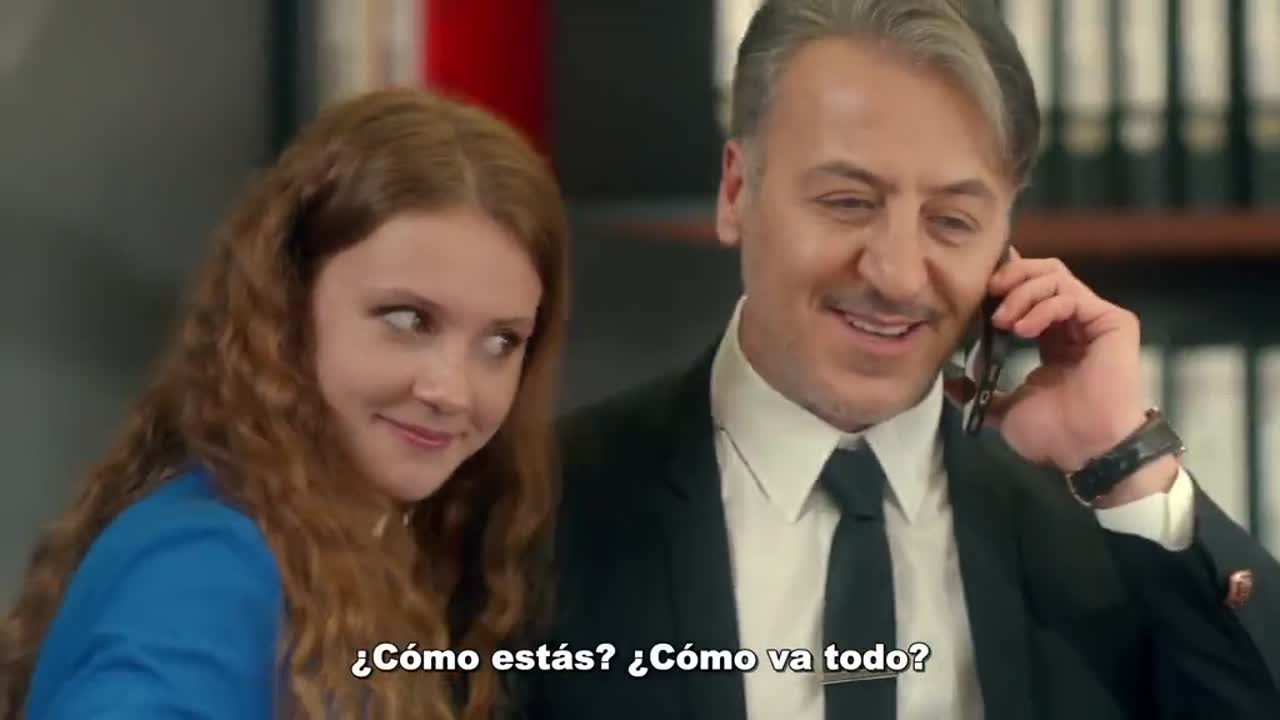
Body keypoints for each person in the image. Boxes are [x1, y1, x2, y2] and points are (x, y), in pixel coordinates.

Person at [526, 1, 1279, 719]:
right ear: (736, 192)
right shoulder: (538, 506)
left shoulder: (1106, 532)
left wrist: (1128, 462)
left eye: (952, 221)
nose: (896, 275)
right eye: (848, 202)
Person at [0, 87, 570, 720]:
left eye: (500, 342)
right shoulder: (210, 564)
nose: (453, 391)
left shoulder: (336, 550)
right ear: (288, 305)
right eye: (408, 319)